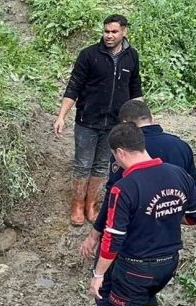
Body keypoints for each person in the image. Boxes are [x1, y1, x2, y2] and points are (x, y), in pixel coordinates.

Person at [88, 122, 196, 306]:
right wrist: (167, 218)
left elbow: (113, 238)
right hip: (168, 263)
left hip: (136, 267)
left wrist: (99, 275)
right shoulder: (178, 174)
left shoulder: (124, 187)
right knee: (147, 296)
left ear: (120, 152)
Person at [53, 14, 143, 226]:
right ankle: (77, 204)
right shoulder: (89, 55)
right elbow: (73, 87)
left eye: (114, 32)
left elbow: (135, 89)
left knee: (102, 165)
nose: (109, 36)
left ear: (124, 32)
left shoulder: (132, 57)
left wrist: (143, 118)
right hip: (87, 121)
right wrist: (61, 116)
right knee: (83, 164)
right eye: (106, 31)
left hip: (115, 124)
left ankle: (91, 204)